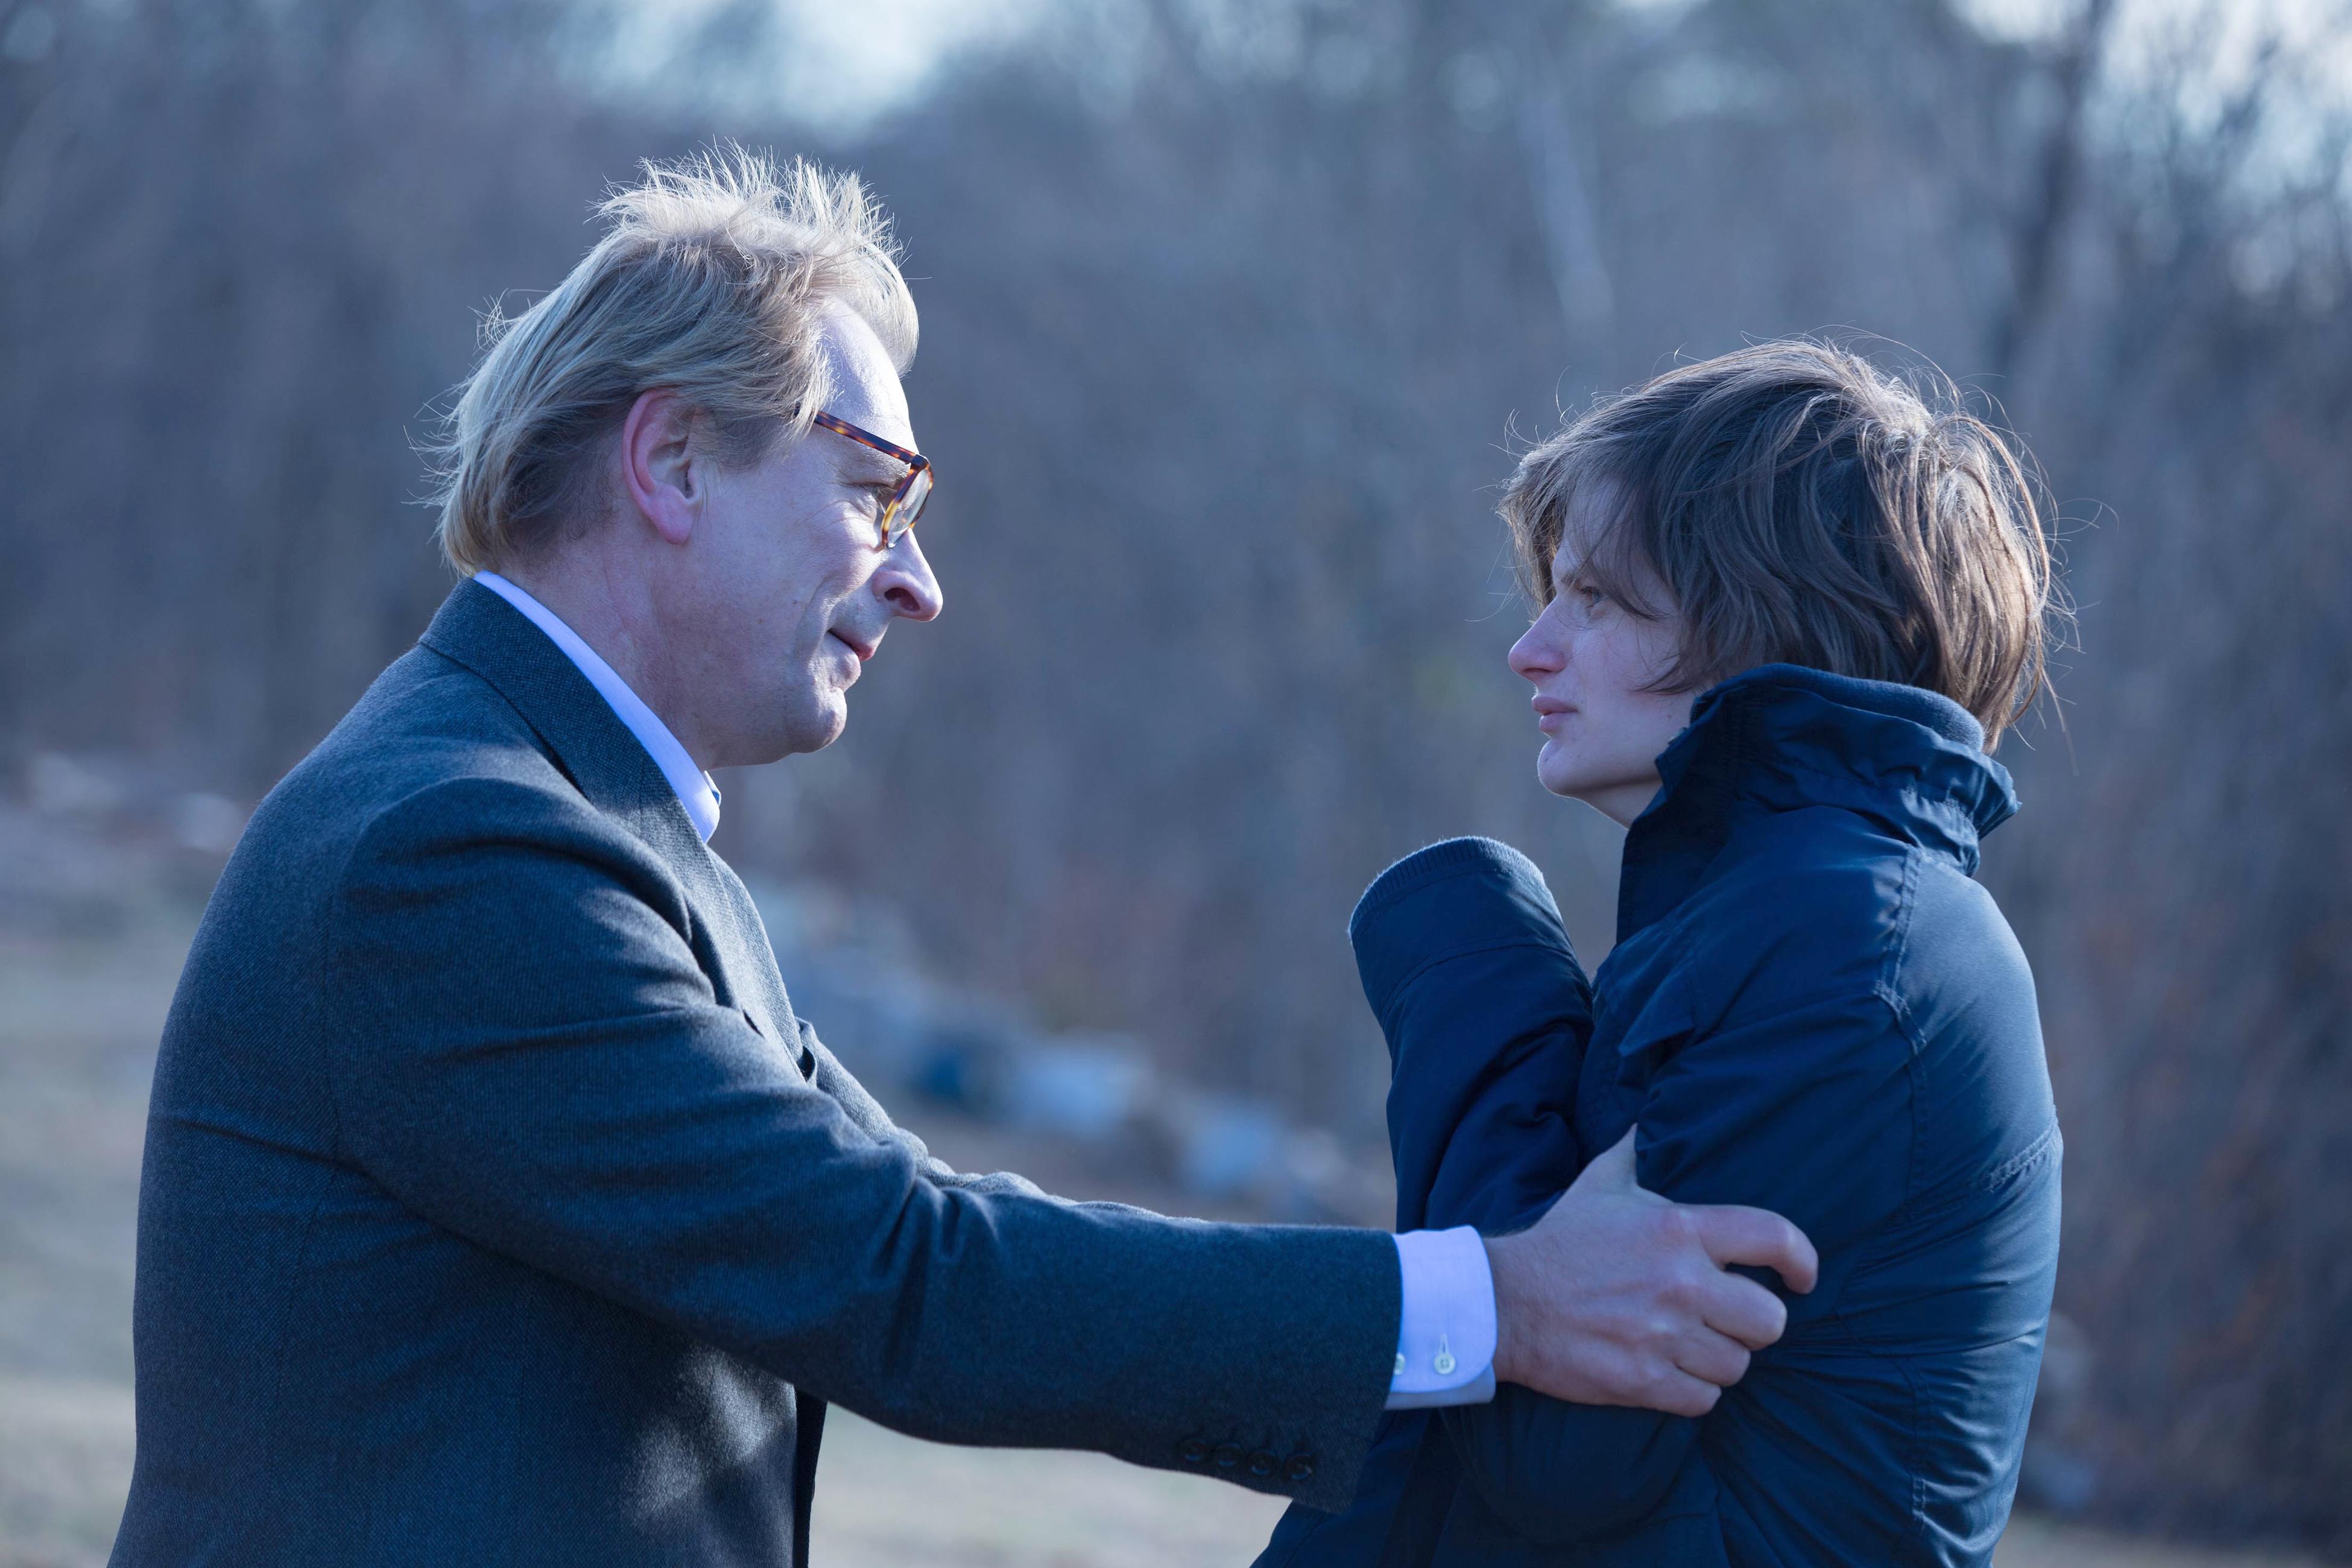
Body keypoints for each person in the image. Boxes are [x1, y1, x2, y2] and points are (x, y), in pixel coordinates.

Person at [106, 149, 1818, 1568]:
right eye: (876, 493)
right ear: (673, 458)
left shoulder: (585, 823)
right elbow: (908, 1277)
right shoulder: (460, 852)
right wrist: (1495, 1303)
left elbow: (940, 1227)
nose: (917, 585)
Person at [1257, 341, 2063, 1566]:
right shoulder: (1793, 914)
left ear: (1761, 621)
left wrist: (1477, 964)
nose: (1533, 647)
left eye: (1598, 599)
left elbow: (1555, 1446)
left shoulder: (1849, 951)